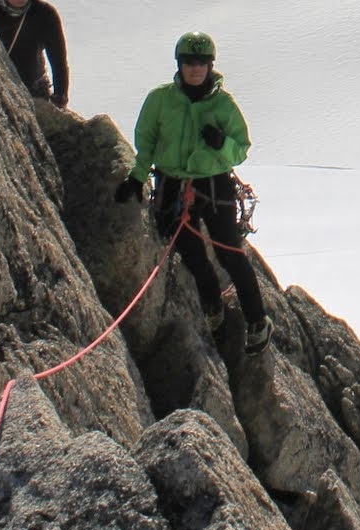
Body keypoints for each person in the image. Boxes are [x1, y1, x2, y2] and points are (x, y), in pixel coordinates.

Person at [115, 31, 272, 354]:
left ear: (211, 65)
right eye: (190, 61)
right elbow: (146, 144)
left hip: (213, 184)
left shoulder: (224, 105)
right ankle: (213, 306)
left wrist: (222, 144)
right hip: (173, 184)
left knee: (229, 252)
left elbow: (241, 149)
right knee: (192, 253)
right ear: (180, 64)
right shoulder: (160, 100)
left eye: (202, 62)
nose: (196, 68)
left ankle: (258, 320)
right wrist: (136, 178)